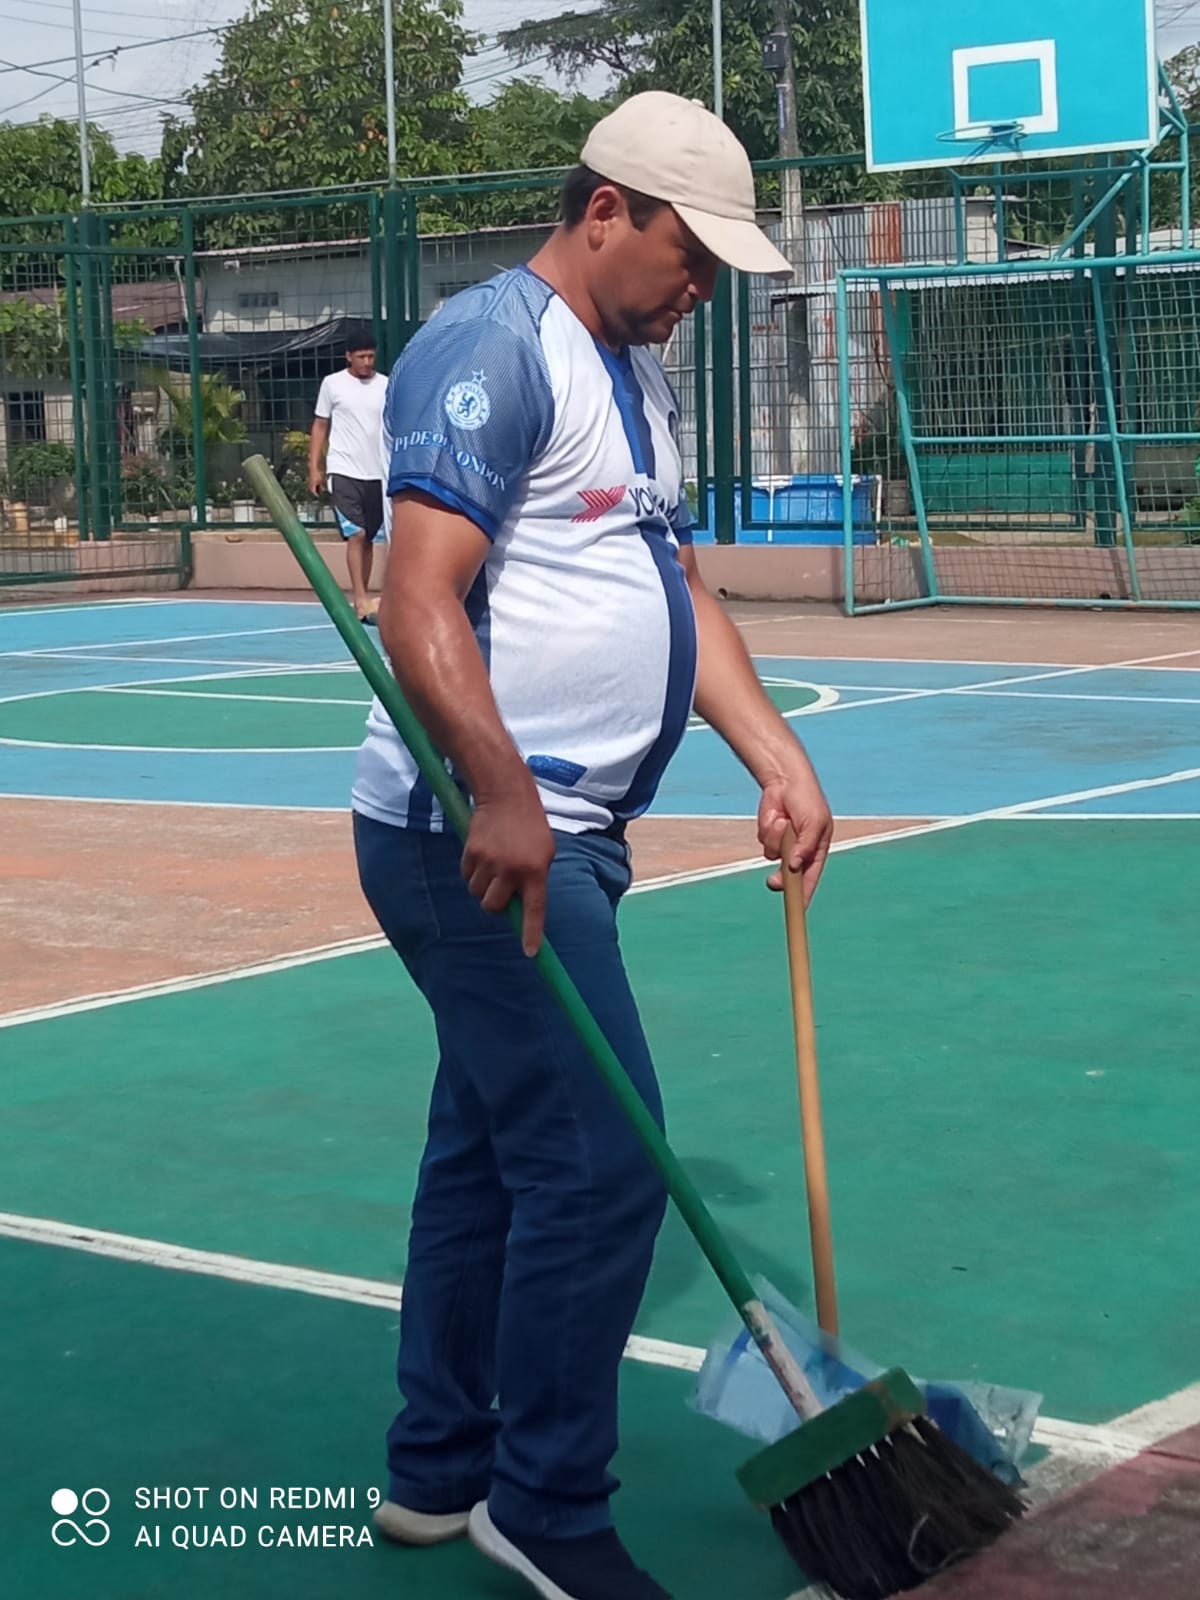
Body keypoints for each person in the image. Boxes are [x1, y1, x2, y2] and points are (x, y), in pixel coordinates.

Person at [352, 91, 834, 1600]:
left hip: (569, 833)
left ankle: (440, 1466)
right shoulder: (492, 344)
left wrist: (777, 754)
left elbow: (671, 583)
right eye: (693, 255)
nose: (703, 289)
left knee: (491, 1152)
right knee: (604, 1165)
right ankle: (547, 1505)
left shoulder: (639, 367)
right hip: (481, 836)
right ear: (608, 209)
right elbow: (417, 598)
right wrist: (500, 788)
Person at [309, 329, 388, 622]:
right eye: (361, 356)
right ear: (348, 357)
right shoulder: (332, 384)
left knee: (368, 538)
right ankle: (360, 598)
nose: (367, 362)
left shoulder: (386, 385)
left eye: (371, 356)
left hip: (377, 473)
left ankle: (363, 598)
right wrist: (314, 468)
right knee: (356, 534)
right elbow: (320, 425)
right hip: (343, 470)